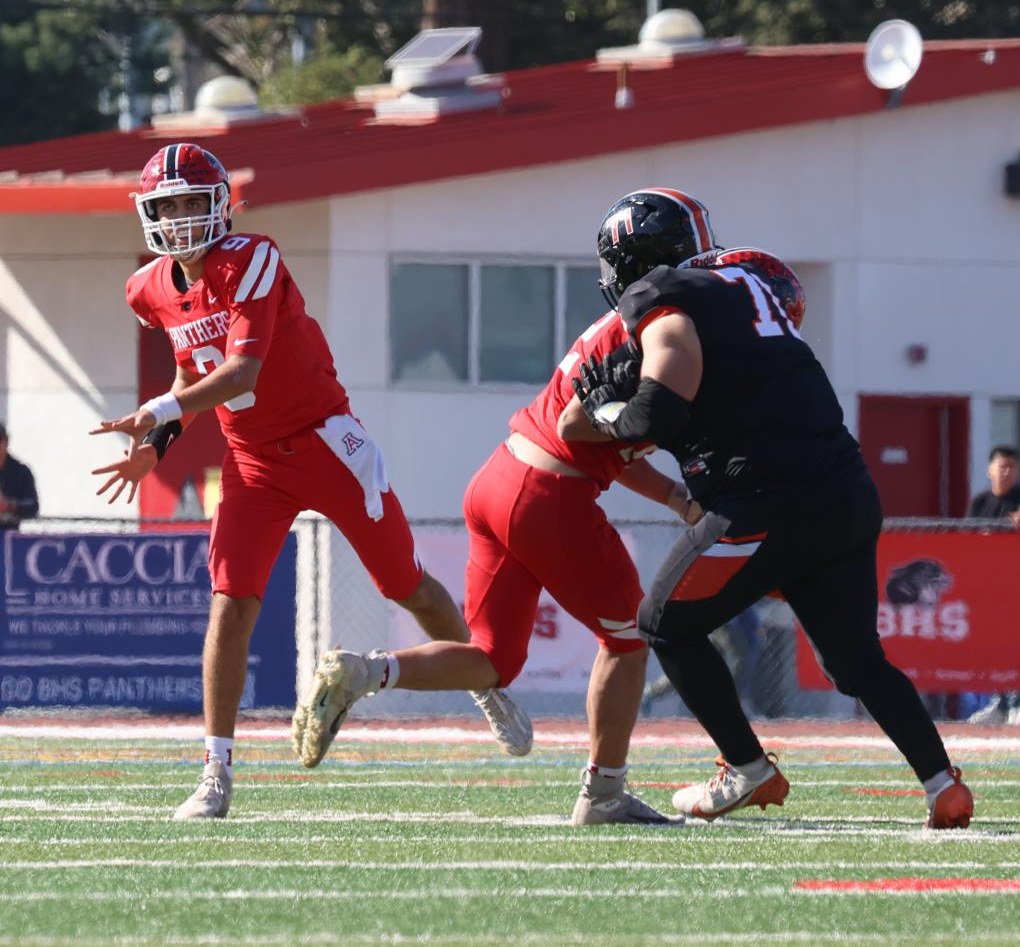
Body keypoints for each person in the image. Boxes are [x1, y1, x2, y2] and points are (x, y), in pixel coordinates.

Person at [90, 143, 517, 821]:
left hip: (324, 443)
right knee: (230, 602)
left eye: (188, 203)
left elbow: (240, 374)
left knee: (405, 583)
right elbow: (188, 371)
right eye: (164, 207)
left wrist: (160, 412)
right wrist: (158, 446)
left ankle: (484, 685)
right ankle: (215, 772)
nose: (177, 218)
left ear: (218, 203)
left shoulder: (250, 257)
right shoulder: (148, 289)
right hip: (251, 462)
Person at [561, 188, 972, 830]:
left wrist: (609, 412)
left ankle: (747, 768)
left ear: (634, 258)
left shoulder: (663, 299)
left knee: (663, 622)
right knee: (857, 660)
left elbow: (660, 411)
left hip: (765, 499)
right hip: (846, 489)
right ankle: (941, 782)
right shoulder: (746, 284)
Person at [294, 245, 738, 824]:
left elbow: (611, 442)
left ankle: (366, 670)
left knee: (492, 659)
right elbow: (585, 428)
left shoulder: (631, 324)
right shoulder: (664, 337)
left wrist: (677, 498)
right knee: (629, 641)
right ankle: (603, 794)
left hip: (500, 476)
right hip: (552, 495)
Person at [965, 446, 1020, 725]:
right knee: (995, 646)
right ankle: (998, 703)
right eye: (1002, 466)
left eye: (1012, 467)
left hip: (1019, 586)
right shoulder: (980, 502)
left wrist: (1018, 521)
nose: (1007, 472)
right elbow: (968, 538)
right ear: (990, 469)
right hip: (988, 587)